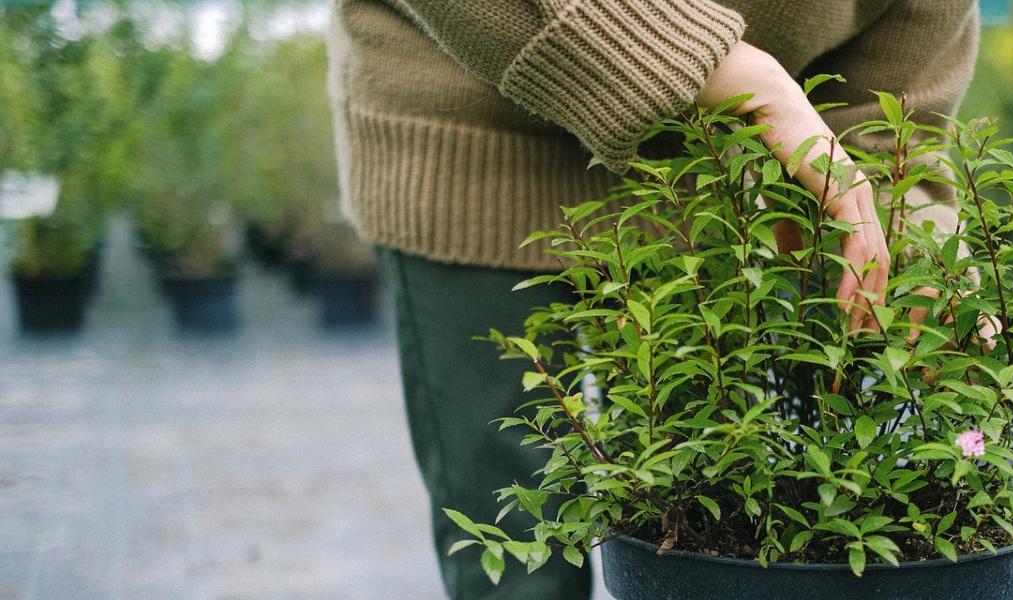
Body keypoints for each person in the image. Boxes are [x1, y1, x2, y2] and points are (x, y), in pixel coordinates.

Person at [326, 1, 979, 598]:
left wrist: (917, 238)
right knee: (520, 552)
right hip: (468, 138)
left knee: (705, 536)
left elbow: (888, 115)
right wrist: (713, 64)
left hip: (705, 186)